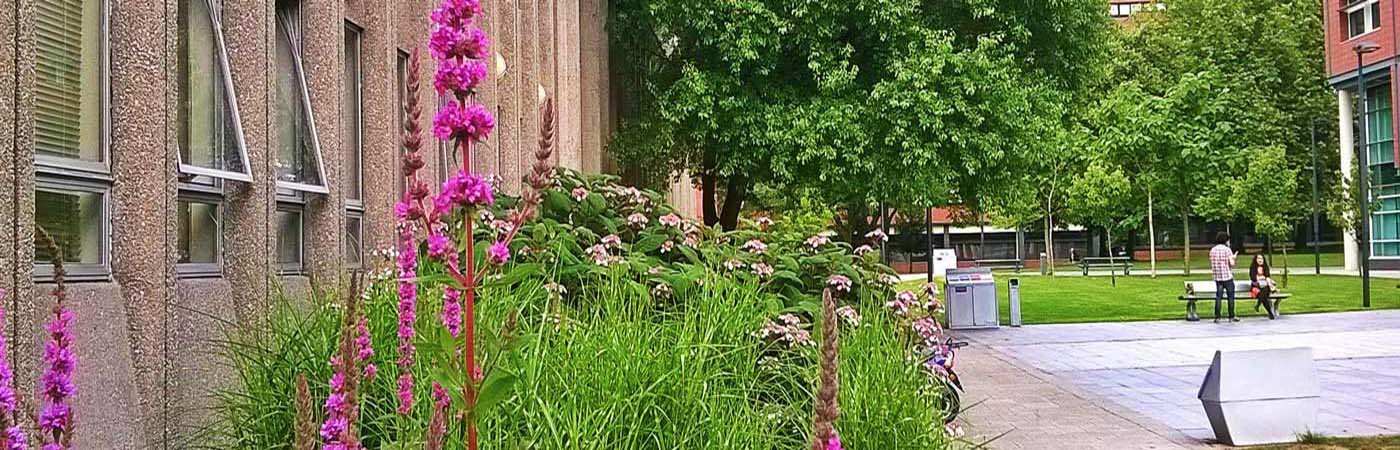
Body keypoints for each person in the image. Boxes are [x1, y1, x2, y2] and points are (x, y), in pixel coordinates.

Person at [1208, 232, 1239, 323]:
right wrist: (1234, 258)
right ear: (1226, 240)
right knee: (1230, 297)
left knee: (1218, 297)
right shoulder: (1227, 250)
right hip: (1227, 277)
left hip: (1217, 277)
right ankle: (1231, 316)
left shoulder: (1212, 250)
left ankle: (1217, 317)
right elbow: (1231, 264)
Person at [1250, 254, 1279, 320]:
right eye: (1258, 258)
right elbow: (1254, 278)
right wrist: (1263, 277)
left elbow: (1268, 277)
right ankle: (1270, 313)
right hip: (1256, 287)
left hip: (1266, 286)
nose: (1260, 260)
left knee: (1265, 291)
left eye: (1261, 258)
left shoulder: (1265, 267)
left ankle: (1258, 305)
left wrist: (1265, 279)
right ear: (1255, 259)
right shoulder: (1253, 267)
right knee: (1264, 296)